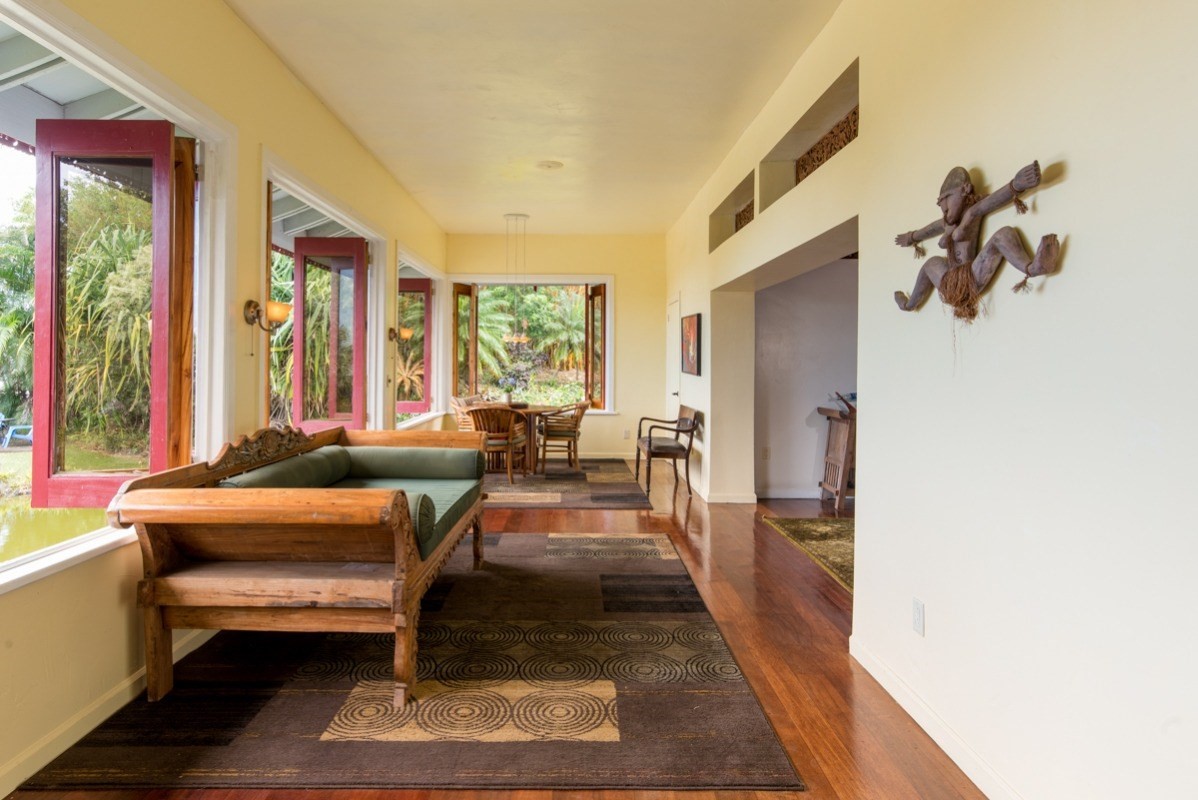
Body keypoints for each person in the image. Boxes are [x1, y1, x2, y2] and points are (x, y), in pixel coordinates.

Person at [894, 161, 1060, 320]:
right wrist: (911, 237)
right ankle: (908, 305)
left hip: (972, 277)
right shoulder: (947, 223)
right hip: (949, 284)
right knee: (931, 264)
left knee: (1003, 235)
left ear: (965, 190)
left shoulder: (972, 213)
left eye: (947, 198)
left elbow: (993, 200)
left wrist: (1017, 184)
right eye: (940, 203)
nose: (943, 206)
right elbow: (928, 230)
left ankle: (1032, 268)